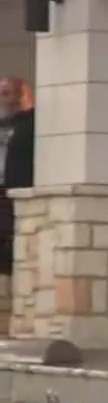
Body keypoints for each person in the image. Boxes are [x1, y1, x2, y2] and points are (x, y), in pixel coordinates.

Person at [0, 76, 34, 275]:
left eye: (8, 93)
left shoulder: (27, 124)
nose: (5, 99)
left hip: (14, 188)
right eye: (2, 94)